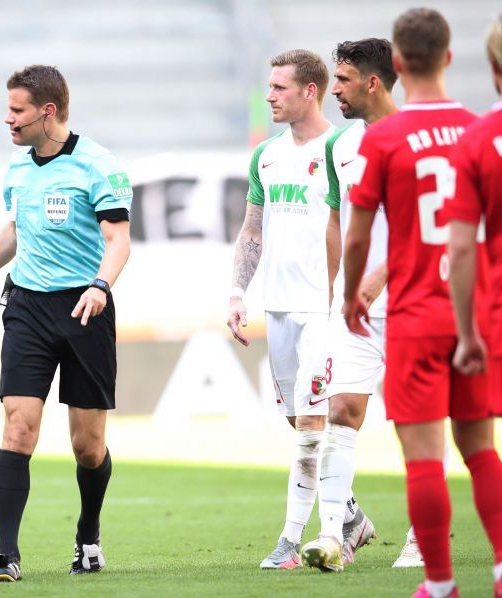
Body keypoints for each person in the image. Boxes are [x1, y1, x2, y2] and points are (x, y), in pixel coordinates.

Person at [343, 9, 502, 598]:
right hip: (475, 314)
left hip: (413, 314)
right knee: (481, 449)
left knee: (425, 459)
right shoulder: (479, 129)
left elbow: (358, 234)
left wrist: (352, 294)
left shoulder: (384, 137)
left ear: (400, 65)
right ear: (451, 57)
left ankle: (438, 583)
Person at [0, 65, 132, 582]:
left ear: (47, 112)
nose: (7, 119)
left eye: (16, 111)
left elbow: (118, 241)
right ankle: (7, 555)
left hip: (85, 310)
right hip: (28, 309)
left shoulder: (97, 165)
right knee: (18, 427)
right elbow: (14, 233)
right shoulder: (17, 169)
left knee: (88, 446)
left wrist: (100, 287)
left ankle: (88, 534)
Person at [301, 37, 420, 572]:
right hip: (355, 310)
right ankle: (332, 537)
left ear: (373, 82)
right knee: (341, 412)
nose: (336, 91)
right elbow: (336, 221)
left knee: (418, 422)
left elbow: (427, 227)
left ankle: (423, 534)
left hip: (418, 301)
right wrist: (336, 291)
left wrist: (380, 277)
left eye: (343, 81)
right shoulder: (339, 146)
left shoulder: (419, 140)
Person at [227, 49, 347, 570]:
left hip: (322, 307)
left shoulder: (342, 147)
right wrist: (237, 292)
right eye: (269, 87)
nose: (270, 96)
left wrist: (344, 295)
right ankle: (352, 517)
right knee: (299, 421)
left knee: (311, 425)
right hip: (276, 306)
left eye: (279, 88)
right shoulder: (267, 155)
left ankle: (295, 541)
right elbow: (252, 228)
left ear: (310, 91)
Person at [447, 14, 502, 598]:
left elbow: (461, 246)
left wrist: (465, 332)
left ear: (492, 70)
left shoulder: (481, 139)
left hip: (492, 310)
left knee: (477, 442)